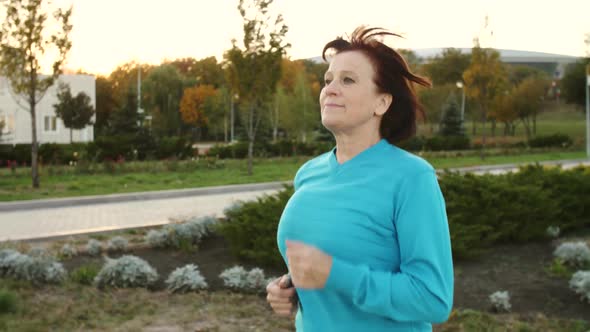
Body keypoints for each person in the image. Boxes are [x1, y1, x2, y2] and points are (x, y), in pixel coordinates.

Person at [265, 26, 454, 331]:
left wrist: (334, 274)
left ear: (382, 103)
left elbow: (433, 298)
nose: (330, 88)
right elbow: (317, 267)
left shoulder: (412, 178)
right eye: (328, 80)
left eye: (348, 80)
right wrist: (291, 289)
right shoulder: (309, 174)